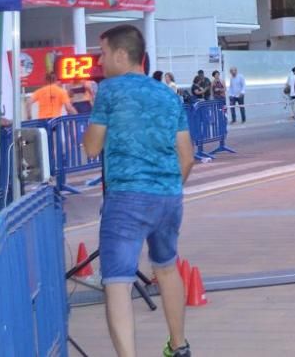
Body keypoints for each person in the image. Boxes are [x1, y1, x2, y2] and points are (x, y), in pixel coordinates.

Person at [82, 24, 195, 357]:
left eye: (102, 54)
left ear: (121, 54)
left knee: (117, 280)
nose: (99, 62)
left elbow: (91, 147)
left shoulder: (110, 90)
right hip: (169, 197)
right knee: (166, 266)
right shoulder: (168, 94)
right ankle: (179, 346)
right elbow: (186, 157)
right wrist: (168, 187)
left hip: (126, 200)